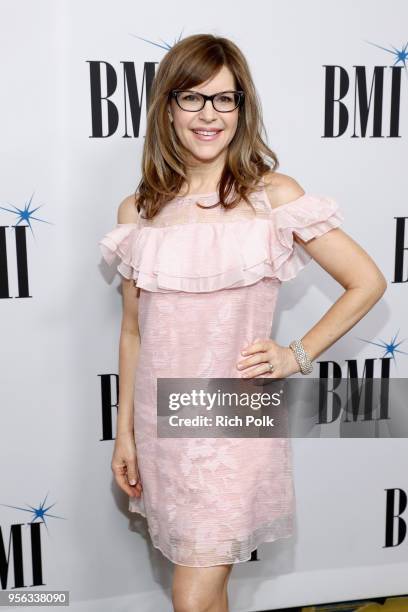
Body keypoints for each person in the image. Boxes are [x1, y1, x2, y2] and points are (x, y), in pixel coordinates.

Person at [98, 33, 387, 612]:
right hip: (162, 420)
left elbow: (368, 281)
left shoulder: (273, 197)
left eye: (225, 99)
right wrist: (125, 430)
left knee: (192, 594)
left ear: (242, 108)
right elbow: (134, 332)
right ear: (167, 107)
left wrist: (296, 354)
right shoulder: (140, 211)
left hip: (233, 411)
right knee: (205, 584)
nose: (210, 115)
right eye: (193, 98)